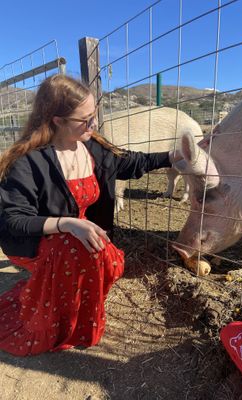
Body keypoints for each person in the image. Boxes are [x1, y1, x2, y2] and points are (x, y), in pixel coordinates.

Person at [0, 74, 183, 356]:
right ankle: (65, 323)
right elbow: (14, 220)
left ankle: (76, 303)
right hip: (37, 241)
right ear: (57, 120)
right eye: (85, 119)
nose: (94, 124)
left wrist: (173, 156)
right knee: (78, 247)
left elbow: (130, 162)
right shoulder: (28, 162)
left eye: (95, 115)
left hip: (77, 234)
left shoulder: (91, 145)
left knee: (100, 255)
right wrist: (68, 224)